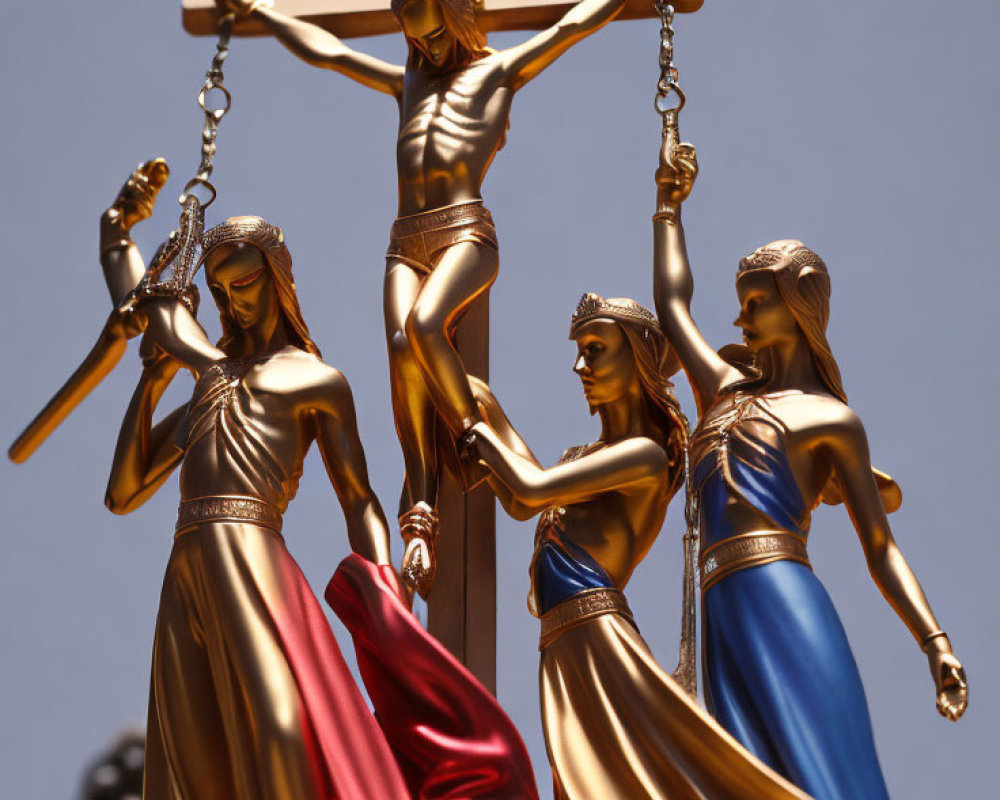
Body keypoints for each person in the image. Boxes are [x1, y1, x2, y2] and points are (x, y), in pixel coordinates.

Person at [103, 210, 538, 799]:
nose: (233, 302)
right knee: (196, 752)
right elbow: (124, 490)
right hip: (187, 572)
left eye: (245, 283)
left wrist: (386, 587)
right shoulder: (213, 379)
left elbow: (358, 500)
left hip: (254, 560)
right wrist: (152, 379)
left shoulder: (315, 381)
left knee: (284, 727)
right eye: (219, 290)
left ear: (276, 277)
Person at [221, 0, 629, 596]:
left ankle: (476, 437)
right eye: (419, 39)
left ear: (459, 21)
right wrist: (262, 11)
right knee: (399, 342)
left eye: (438, 36)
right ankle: (421, 511)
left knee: (425, 324)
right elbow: (328, 50)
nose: (430, 50)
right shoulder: (407, 81)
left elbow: (571, 24)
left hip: (465, 230)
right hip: (405, 240)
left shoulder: (498, 72)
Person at [650, 143, 968, 799]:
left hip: (782, 595)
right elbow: (674, 309)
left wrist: (934, 643)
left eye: (756, 302)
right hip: (723, 606)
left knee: (824, 773)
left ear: (797, 307)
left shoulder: (830, 420)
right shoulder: (727, 390)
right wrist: (667, 207)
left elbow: (880, 547)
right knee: (747, 780)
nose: (740, 318)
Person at [461, 293, 813, 800]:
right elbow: (521, 501)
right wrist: (484, 406)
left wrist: (480, 428)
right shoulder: (585, 456)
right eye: (580, 352)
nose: (581, 366)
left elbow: (531, 489)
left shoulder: (644, 458)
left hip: (596, 637)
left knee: (601, 783)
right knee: (581, 782)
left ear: (638, 359)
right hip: (563, 644)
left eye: (596, 349)